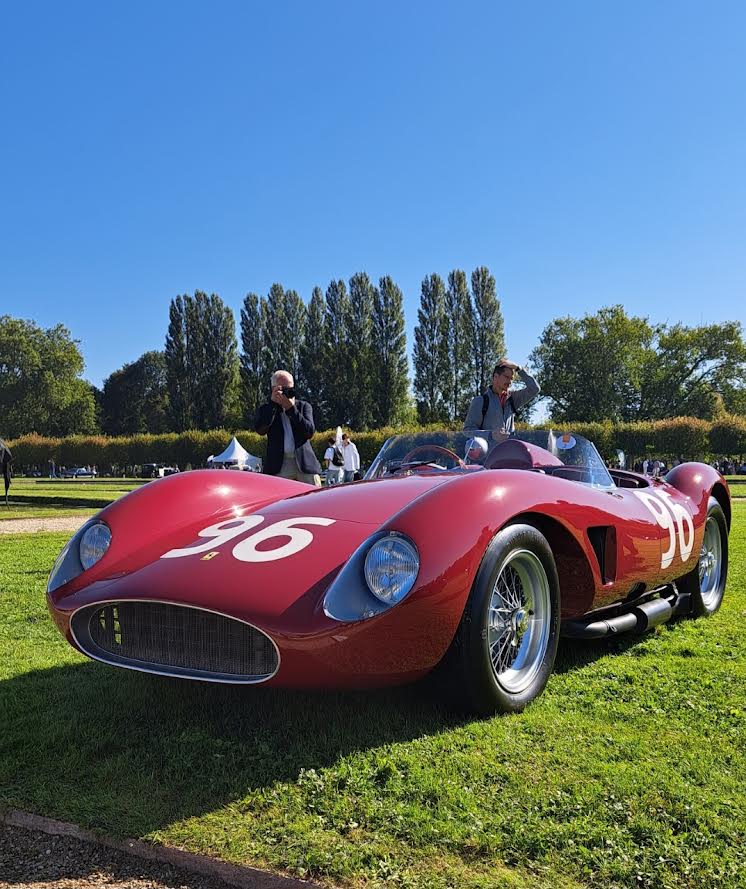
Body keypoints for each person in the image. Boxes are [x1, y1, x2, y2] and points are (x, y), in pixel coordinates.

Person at [253, 370, 322, 486]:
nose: (287, 392)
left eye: (290, 389)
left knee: (315, 499)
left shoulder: (303, 406)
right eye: (283, 389)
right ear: (274, 389)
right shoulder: (266, 409)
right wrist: (273, 405)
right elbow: (261, 430)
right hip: (278, 465)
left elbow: (309, 432)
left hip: (304, 464)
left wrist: (291, 409)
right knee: (279, 502)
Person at [463, 359, 540, 442]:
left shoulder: (512, 398)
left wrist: (518, 368)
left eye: (512, 379)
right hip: (489, 454)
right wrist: (490, 435)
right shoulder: (480, 401)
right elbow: (468, 430)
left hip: (509, 452)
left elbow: (535, 389)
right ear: (495, 377)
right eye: (507, 377)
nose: (510, 382)